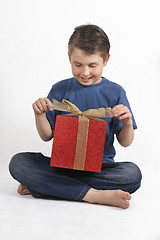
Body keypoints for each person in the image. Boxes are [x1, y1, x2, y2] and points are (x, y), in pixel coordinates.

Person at [9, 24, 142, 209]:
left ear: (106, 60)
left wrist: (127, 122)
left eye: (92, 65)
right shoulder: (60, 89)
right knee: (19, 163)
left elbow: (125, 142)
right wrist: (39, 115)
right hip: (63, 168)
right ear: (69, 58)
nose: (85, 72)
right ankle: (94, 195)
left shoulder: (115, 92)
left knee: (132, 175)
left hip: (100, 170)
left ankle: (50, 187)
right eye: (77, 65)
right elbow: (47, 136)